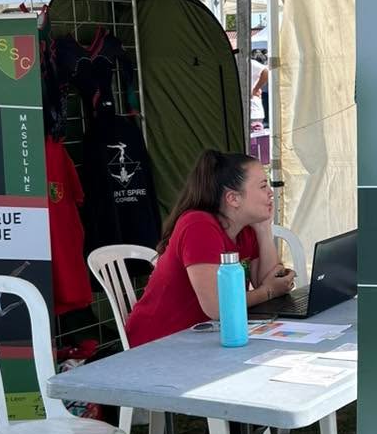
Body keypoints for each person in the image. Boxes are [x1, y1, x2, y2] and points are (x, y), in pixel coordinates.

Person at [126, 148, 295, 348]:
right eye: (262, 186)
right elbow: (217, 307)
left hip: (208, 336)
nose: (270, 193)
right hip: (159, 342)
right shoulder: (198, 226)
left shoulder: (245, 228)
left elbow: (269, 279)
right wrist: (268, 292)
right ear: (233, 199)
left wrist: (264, 228)